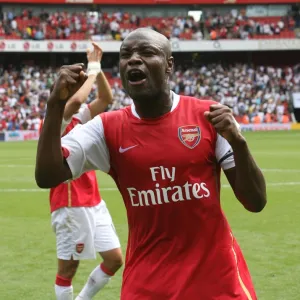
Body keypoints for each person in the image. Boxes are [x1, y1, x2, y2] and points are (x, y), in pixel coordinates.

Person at [35, 28, 267, 300]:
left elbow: (256, 201)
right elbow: (47, 175)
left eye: (146, 52)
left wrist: (238, 143)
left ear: (169, 65)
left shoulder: (208, 115)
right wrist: (54, 105)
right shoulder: (106, 129)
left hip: (217, 281)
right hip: (147, 284)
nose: (133, 59)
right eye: (125, 55)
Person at [44, 42, 123, 300]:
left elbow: (106, 99)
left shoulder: (78, 119)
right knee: (68, 268)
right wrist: (92, 67)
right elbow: (78, 100)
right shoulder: (55, 117)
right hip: (69, 203)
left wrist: (98, 71)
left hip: (93, 200)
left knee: (114, 259)